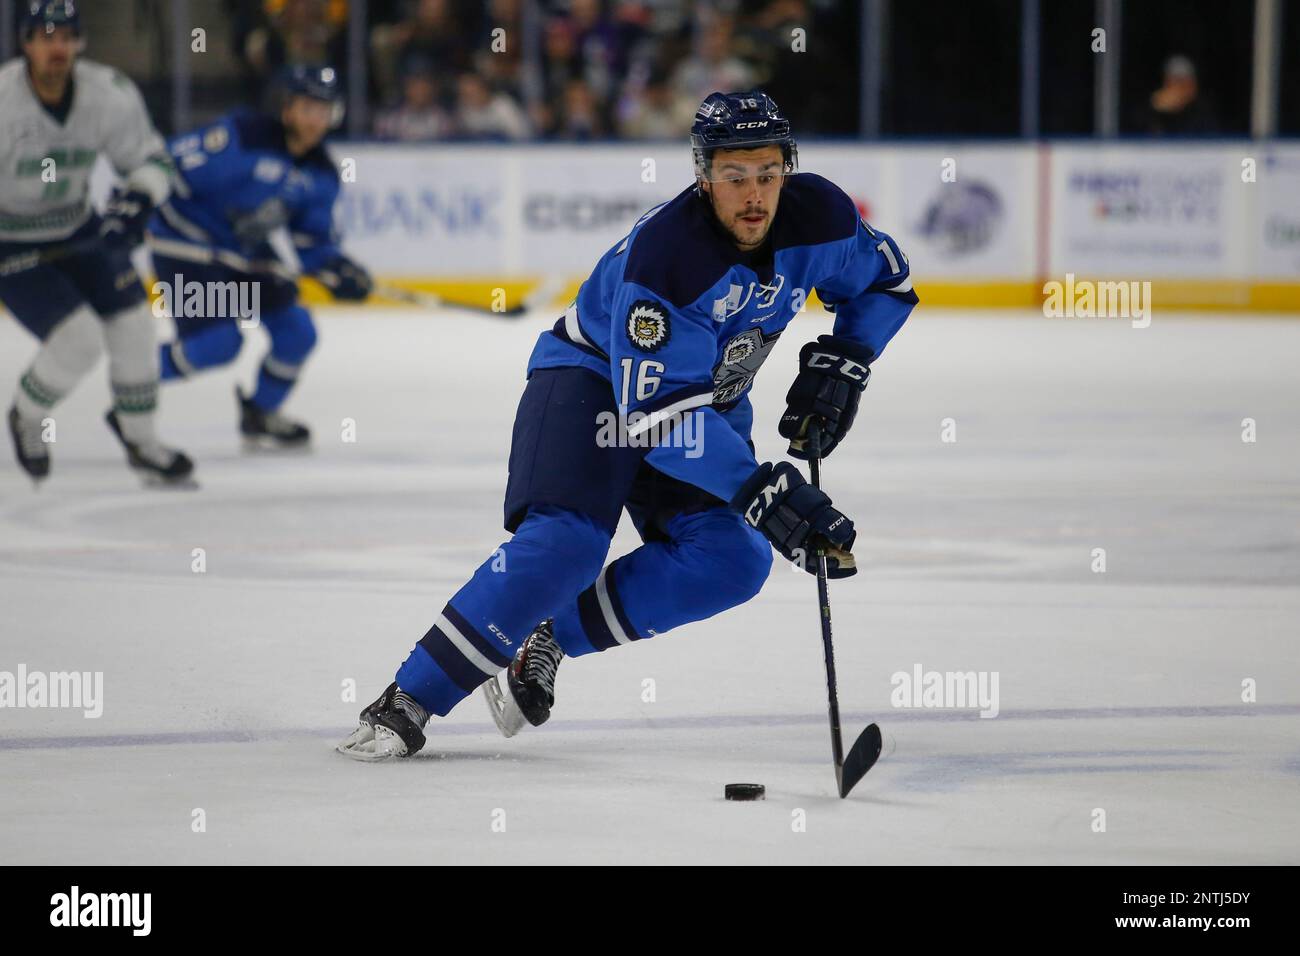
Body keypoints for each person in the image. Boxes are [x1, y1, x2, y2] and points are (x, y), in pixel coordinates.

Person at [338, 91, 917, 760]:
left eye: (767, 172)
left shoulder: (822, 217)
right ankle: (407, 699)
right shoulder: (670, 260)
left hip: (698, 400)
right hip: (591, 387)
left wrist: (846, 360)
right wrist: (761, 488)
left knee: (733, 560)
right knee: (567, 547)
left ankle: (551, 635)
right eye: (734, 176)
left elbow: (886, 283)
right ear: (704, 176)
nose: (755, 194)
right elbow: (658, 424)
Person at [1, 0, 193, 485]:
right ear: (26, 43)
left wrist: (138, 200)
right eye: (46, 36)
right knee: (79, 341)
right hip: (11, 242)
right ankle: (27, 416)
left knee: (135, 329)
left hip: (78, 230)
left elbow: (153, 160)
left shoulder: (107, 93)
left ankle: (142, 441)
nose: (57, 47)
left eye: (66, 36)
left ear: (80, 42)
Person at [147, 65, 372, 448]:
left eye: (326, 110)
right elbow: (165, 163)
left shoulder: (321, 174)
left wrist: (339, 268)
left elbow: (310, 243)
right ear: (287, 108)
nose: (317, 120)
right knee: (219, 344)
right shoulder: (242, 137)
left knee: (297, 332)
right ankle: (132, 378)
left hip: (242, 255)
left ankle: (261, 414)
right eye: (309, 108)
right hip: (185, 246)